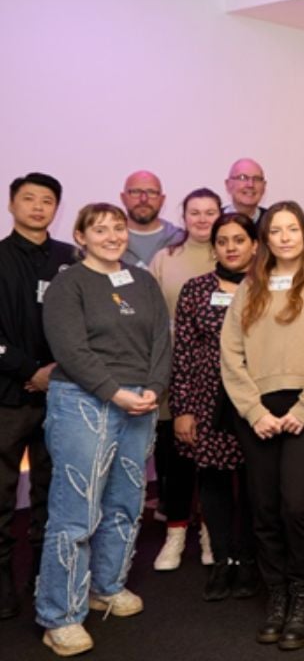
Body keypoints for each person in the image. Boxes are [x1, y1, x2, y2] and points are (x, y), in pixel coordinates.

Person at [37, 203, 170, 657]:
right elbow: (70, 349)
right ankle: (60, 615)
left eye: (118, 228)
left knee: (125, 502)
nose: (112, 236)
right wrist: (115, 392)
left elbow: (161, 341)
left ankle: (106, 586)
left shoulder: (143, 280)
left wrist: (153, 387)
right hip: (83, 399)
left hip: (139, 401)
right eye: (100, 229)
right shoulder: (67, 284)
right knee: (76, 511)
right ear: (80, 236)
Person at [220, 201, 304, 650]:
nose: (285, 237)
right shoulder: (250, 286)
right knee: (265, 507)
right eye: (276, 230)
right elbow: (230, 353)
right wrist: (254, 412)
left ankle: (301, 593)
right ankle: (275, 593)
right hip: (256, 408)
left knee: (296, 504)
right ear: (266, 239)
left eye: (292, 229)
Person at [170, 212, 259, 602]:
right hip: (207, 401)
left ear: (255, 245)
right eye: (223, 241)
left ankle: (248, 561)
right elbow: (184, 352)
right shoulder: (195, 289)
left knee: (256, 486)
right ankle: (222, 561)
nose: (231, 247)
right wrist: (183, 408)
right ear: (214, 247)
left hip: (256, 399)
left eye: (239, 239)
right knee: (215, 484)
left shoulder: (267, 287)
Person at [0, 173, 73, 620]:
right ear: (11, 205)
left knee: (55, 494)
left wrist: (53, 373)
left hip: (61, 396)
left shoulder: (70, 259)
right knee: (2, 496)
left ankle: (47, 578)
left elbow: (87, 327)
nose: (38, 207)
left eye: (47, 201)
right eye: (29, 199)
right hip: (7, 395)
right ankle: (3, 583)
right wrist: (31, 371)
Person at [148, 188, 221, 573]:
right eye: (195, 212)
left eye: (211, 212)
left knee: (214, 462)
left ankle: (211, 532)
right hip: (174, 374)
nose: (203, 219)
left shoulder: (230, 251)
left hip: (220, 378)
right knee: (177, 460)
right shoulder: (166, 258)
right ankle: (175, 535)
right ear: (184, 215)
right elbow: (154, 323)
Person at [120, 170, 183, 268]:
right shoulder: (107, 242)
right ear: (123, 198)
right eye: (136, 192)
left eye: (152, 192)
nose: (144, 199)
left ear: (162, 200)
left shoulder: (181, 240)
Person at [224, 159, 268, 224]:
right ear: (228, 185)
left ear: (264, 187)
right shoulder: (214, 220)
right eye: (243, 178)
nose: (250, 184)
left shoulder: (272, 221)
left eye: (256, 179)